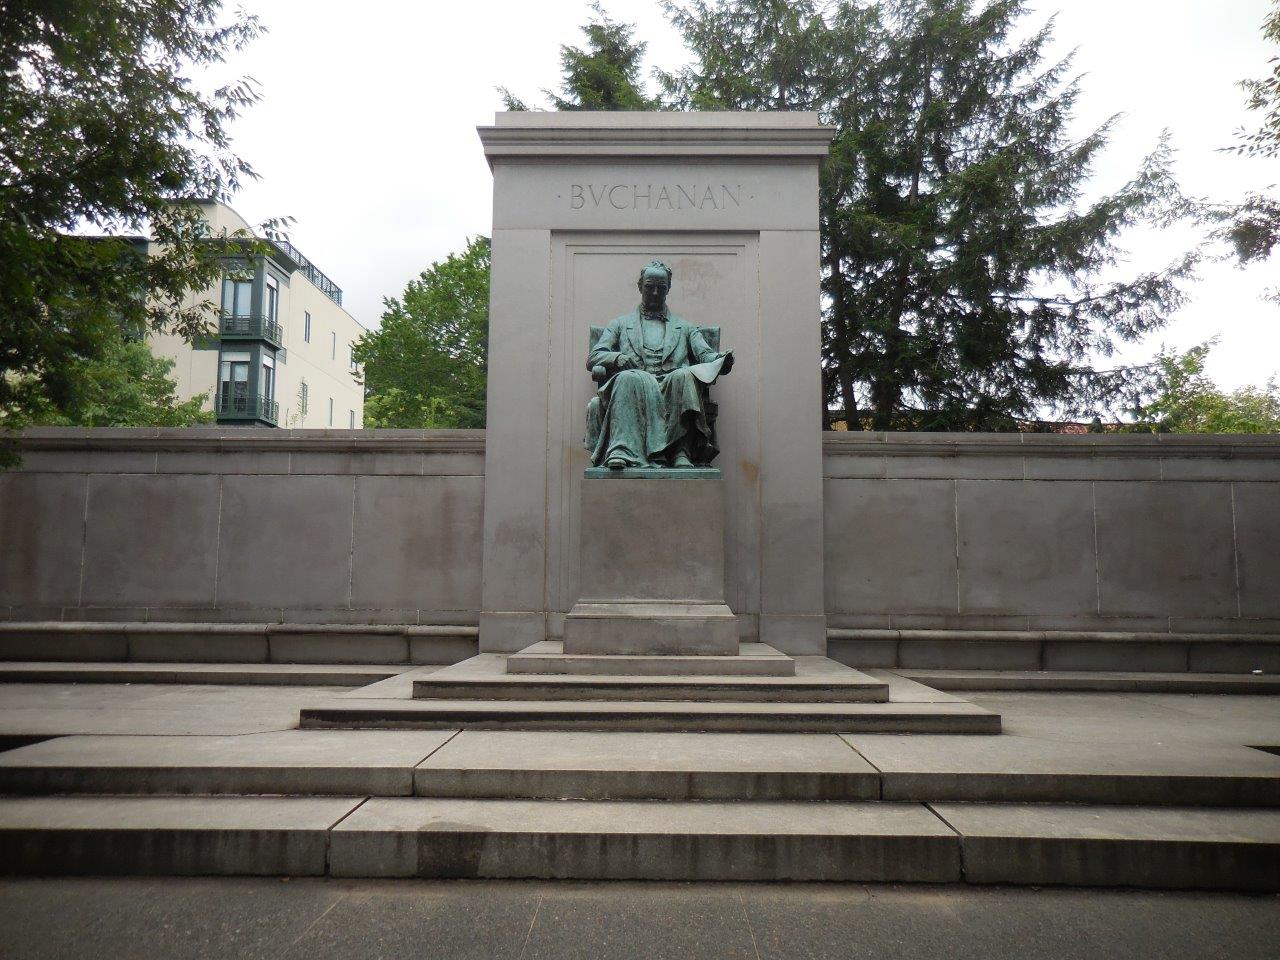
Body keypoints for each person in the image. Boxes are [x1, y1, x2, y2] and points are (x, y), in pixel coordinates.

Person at [585, 260, 734, 469]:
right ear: (640, 286)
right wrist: (617, 358)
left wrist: (721, 360)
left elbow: (705, 354)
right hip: (636, 381)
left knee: (683, 376)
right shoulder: (620, 324)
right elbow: (595, 356)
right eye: (649, 287)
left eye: (661, 288)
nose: (655, 292)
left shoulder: (685, 327)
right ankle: (621, 449)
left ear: (668, 288)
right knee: (627, 378)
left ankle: (680, 452)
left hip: (672, 383)